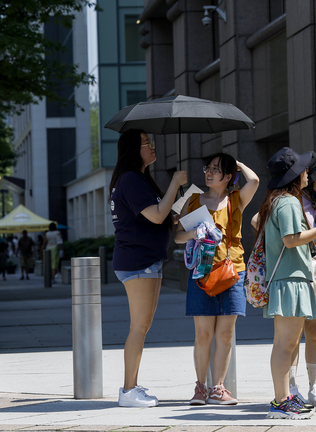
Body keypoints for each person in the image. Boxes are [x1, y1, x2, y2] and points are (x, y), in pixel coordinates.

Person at [251, 147, 316, 420]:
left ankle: (283, 398)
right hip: (291, 280)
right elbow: (291, 240)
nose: (307, 173)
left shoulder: (276, 200)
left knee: (283, 343)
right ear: (295, 174)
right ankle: (281, 401)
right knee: (286, 345)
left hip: (285, 280)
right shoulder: (289, 202)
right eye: (303, 169)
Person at [109, 129, 187, 407]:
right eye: (146, 143)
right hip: (138, 261)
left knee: (142, 326)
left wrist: (177, 210)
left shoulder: (137, 179)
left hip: (144, 260)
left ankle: (132, 387)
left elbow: (159, 216)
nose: (152, 146)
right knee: (139, 326)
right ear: (133, 148)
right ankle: (128, 390)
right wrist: (175, 183)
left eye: (151, 141)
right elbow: (156, 216)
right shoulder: (130, 179)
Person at [174, 154, 259, 406]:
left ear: (229, 176)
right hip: (201, 272)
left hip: (232, 272)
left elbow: (254, 180)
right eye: (208, 168)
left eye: (216, 169)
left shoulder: (235, 199)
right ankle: (200, 388)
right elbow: (178, 236)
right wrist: (193, 233)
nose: (209, 173)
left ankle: (218, 388)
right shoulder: (193, 199)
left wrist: (238, 163)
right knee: (203, 334)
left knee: (225, 334)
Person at [287, 152, 316, 407]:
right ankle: (291, 387)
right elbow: (258, 221)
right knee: (293, 334)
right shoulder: (293, 201)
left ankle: (315, 386)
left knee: (315, 332)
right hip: (300, 265)